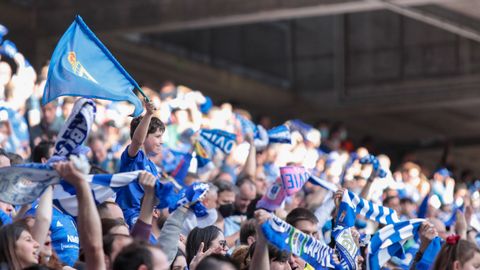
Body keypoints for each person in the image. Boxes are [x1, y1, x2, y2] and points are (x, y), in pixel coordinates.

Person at [115, 100, 165, 227]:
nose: (161, 141)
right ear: (144, 137)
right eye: (157, 136)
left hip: (144, 215)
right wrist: (148, 114)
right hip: (128, 215)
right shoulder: (134, 156)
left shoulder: (152, 166)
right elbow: (137, 141)